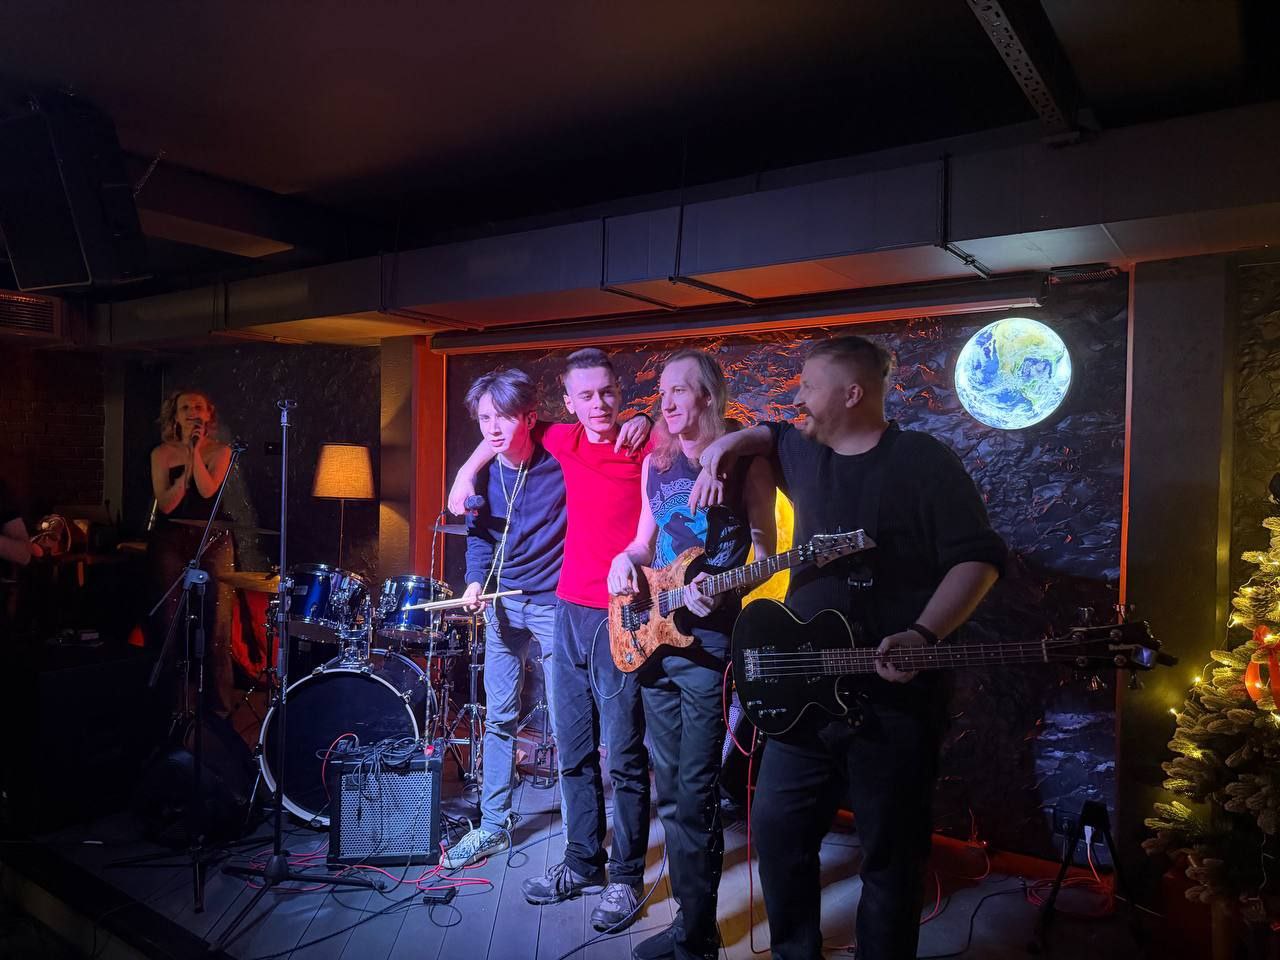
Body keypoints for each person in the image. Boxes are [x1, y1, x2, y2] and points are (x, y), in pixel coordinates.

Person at [689, 335, 1007, 960]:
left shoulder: (923, 461)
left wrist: (923, 633)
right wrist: (724, 444)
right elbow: (769, 433)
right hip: (804, 696)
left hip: (892, 701)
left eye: (809, 385)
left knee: (891, 857)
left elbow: (979, 559)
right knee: (779, 836)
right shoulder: (805, 450)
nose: (798, 397)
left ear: (852, 393)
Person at [449, 348, 653, 931]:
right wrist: (464, 474)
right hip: (554, 609)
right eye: (585, 395)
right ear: (567, 402)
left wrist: (648, 419)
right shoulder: (556, 444)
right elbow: (498, 439)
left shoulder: (627, 447)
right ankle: (575, 859)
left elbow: (695, 429)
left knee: (621, 750)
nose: (598, 404)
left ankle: (625, 876)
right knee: (563, 741)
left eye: (606, 392)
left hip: (608, 611)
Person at [607, 349, 775, 960]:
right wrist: (624, 559)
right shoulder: (656, 462)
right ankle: (689, 922)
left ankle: (698, 936)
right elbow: (643, 541)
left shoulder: (745, 460)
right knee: (672, 791)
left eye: (680, 389)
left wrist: (723, 589)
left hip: (707, 646)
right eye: (663, 390)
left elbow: (764, 552)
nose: (667, 400)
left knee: (698, 789)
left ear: (707, 394)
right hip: (655, 636)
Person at [441, 368, 569, 869]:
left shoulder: (559, 461)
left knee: (568, 719)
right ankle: (493, 826)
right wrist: (475, 582)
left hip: (553, 604)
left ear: (529, 418)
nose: (492, 429)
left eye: (504, 417)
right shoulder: (484, 474)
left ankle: (579, 837)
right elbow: (479, 537)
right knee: (498, 718)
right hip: (502, 604)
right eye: (484, 418)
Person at [148, 389, 237, 719]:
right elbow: (167, 504)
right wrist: (185, 460)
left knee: (217, 627)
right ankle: (170, 709)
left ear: (208, 414)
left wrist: (195, 451)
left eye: (198, 406)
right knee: (168, 622)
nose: (192, 412)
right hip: (170, 540)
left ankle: (219, 712)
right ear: (175, 415)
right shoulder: (160, 454)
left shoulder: (222, 451)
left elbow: (208, 490)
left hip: (213, 540)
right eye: (185, 407)